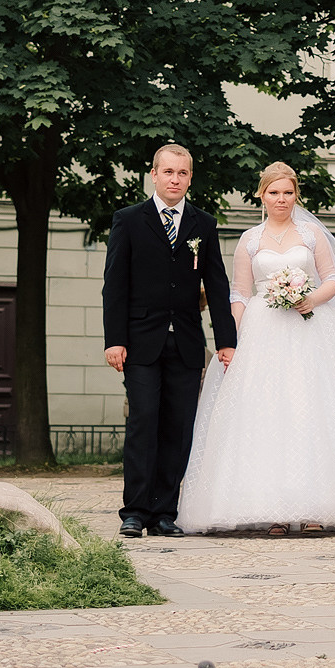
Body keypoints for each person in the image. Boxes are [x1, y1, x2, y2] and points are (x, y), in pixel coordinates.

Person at [178, 161, 335, 535]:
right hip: (264, 331)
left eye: (287, 192)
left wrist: (311, 299)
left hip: (311, 328)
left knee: (315, 409)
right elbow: (238, 292)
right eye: (274, 193)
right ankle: (277, 511)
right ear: (262, 195)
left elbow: (334, 279)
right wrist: (233, 338)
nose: (281, 199)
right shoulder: (250, 240)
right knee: (268, 413)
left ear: (295, 195)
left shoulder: (311, 235)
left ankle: (319, 508)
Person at [102, 144, 237, 538]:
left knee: (179, 428)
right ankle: (135, 510)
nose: (175, 179)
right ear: (154, 175)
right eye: (168, 172)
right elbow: (115, 286)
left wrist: (226, 340)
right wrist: (115, 339)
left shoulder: (203, 224)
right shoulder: (129, 220)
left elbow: (216, 283)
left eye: (182, 173)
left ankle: (164, 512)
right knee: (144, 422)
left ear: (190, 178)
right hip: (141, 342)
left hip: (187, 343)